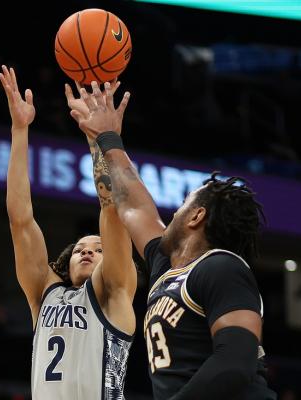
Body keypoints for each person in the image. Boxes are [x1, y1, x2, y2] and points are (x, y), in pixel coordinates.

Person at [67, 81, 277, 400]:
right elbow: (134, 205)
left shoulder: (222, 268)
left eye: (183, 205)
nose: (174, 212)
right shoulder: (167, 266)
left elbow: (235, 362)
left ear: (196, 217)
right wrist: (105, 138)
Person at [0, 66, 137, 400]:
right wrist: (20, 130)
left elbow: (111, 209)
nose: (87, 251)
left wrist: (98, 137)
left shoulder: (115, 291)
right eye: (80, 249)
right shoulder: (44, 293)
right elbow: (20, 220)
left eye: (98, 248)